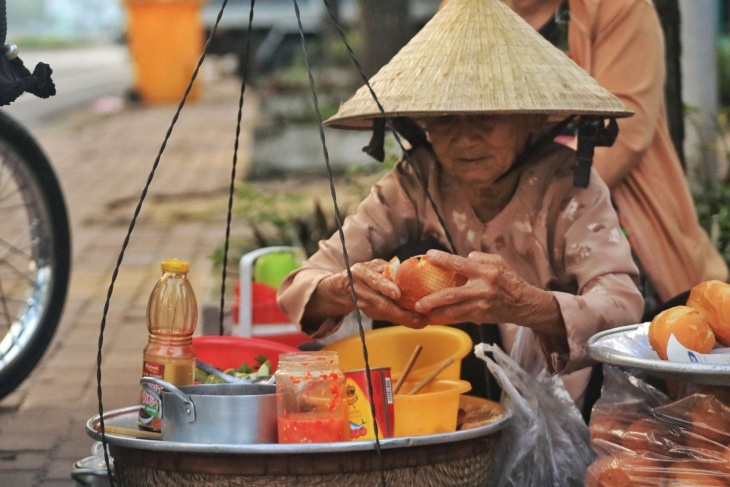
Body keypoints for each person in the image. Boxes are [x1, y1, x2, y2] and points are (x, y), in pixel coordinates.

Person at [277, 0, 644, 410]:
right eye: (447, 118)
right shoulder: (416, 180)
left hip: (558, 400)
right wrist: (346, 288)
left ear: (532, 118)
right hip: (449, 394)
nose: (466, 139)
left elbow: (622, 305)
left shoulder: (568, 188)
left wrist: (528, 305)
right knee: (413, 258)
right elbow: (306, 281)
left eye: (487, 116)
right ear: (425, 124)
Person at [497, 0, 730, 315]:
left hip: (601, 208)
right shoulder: (463, 9)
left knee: (615, 332)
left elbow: (624, 133)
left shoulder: (620, 5)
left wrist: (524, 210)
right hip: (490, 208)